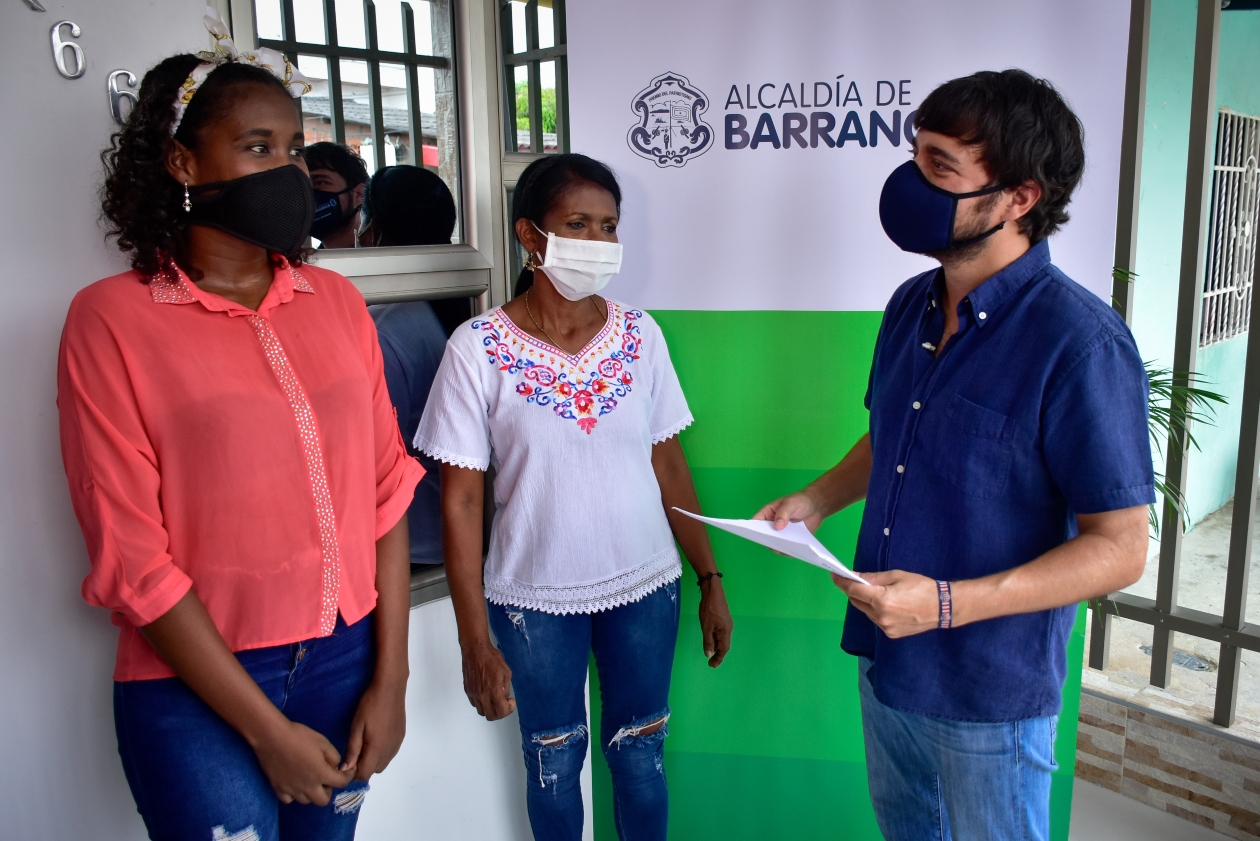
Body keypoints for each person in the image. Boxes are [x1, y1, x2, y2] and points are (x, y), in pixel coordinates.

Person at [756, 69, 1153, 841]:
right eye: (916, 155)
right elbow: (893, 437)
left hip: (987, 692)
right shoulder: (910, 303)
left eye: (940, 167)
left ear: (1020, 198)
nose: (910, 180)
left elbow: (1122, 547)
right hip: (885, 660)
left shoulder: (1080, 344)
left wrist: (944, 604)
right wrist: (815, 500)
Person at [58, 14, 422, 841]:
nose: (289, 169)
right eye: (258, 147)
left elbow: (387, 493)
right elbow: (131, 557)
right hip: (199, 686)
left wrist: (391, 677)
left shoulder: (334, 303)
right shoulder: (110, 320)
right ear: (183, 162)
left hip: (345, 658)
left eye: (295, 148)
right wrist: (264, 728)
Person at [415, 153, 734, 841]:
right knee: (553, 765)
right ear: (532, 235)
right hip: (533, 600)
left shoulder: (639, 336)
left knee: (642, 758)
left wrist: (710, 576)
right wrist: (474, 637)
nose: (597, 242)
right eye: (578, 223)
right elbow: (462, 502)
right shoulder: (476, 350)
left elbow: (669, 462)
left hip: (646, 585)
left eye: (609, 226)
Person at [305, 141, 369, 249]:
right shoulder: (302, 263)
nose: (307, 194)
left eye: (320, 182)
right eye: (302, 185)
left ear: (359, 194)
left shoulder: (387, 258)